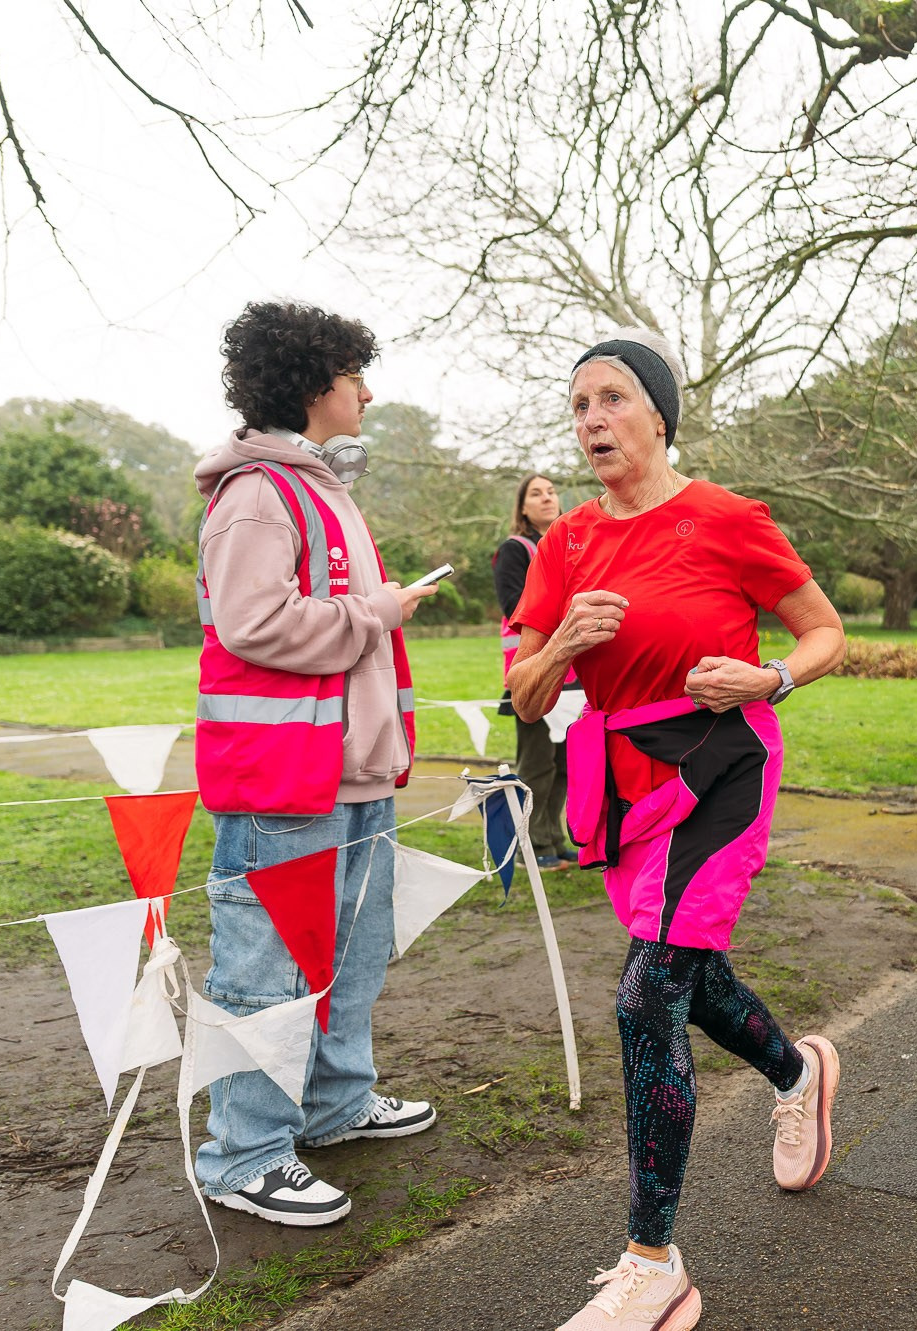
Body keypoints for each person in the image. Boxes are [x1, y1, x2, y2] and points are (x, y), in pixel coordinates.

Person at [506, 327, 847, 1331]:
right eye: (577, 407)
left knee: (645, 992)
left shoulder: (723, 517)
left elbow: (822, 628)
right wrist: (563, 638)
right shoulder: (563, 544)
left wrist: (772, 675)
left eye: (611, 399)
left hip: (718, 762)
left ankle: (653, 1262)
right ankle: (798, 1069)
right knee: (685, 975)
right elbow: (523, 698)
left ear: (658, 412)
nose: (591, 422)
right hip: (617, 780)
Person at [191, 301, 442, 1226]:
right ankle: (245, 1151)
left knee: (351, 953)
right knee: (266, 964)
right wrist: (378, 609)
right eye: (353, 374)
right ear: (311, 383)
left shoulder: (317, 486)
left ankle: (334, 1106)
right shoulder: (257, 494)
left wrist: (373, 607)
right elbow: (254, 624)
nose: (367, 391)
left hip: (347, 771)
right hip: (285, 777)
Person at [494, 474, 580, 867]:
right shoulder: (514, 551)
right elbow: (515, 605)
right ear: (523, 507)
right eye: (535, 494)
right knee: (537, 764)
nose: (546, 498)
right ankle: (531, 846)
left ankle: (552, 836)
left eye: (551, 491)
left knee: (565, 764)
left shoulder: (573, 545)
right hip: (532, 674)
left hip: (575, 677)